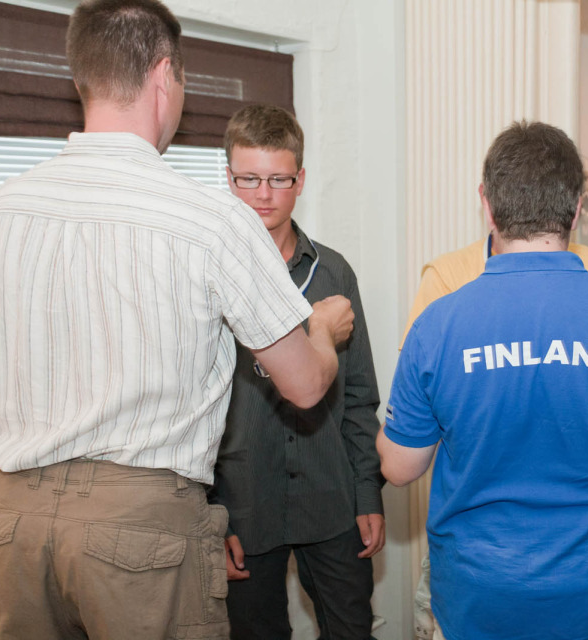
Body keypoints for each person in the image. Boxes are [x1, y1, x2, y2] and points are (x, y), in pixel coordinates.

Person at [0, 2, 353, 638]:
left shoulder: (3, 209)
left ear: (83, 77)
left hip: (11, 521)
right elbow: (302, 384)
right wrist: (322, 329)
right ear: (164, 76)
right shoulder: (210, 219)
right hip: (139, 532)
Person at [379, 121, 588, 640]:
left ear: (488, 204)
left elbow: (399, 466)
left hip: (480, 595)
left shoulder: (438, 324)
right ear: (576, 209)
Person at [402, 147, 588, 640]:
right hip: (476, 543)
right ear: (576, 208)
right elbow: (420, 406)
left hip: (579, 536)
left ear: (487, 201)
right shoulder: (446, 277)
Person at [210, 104, 383, 640]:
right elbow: (188, 407)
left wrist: (368, 492)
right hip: (243, 504)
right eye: (249, 179)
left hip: (332, 500)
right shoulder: (206, 274)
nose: (263, 194)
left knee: (352, 630)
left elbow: (359, 396)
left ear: (300, 180)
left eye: (279, 179)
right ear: (229, 178)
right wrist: (212, 514)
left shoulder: (334, 273)